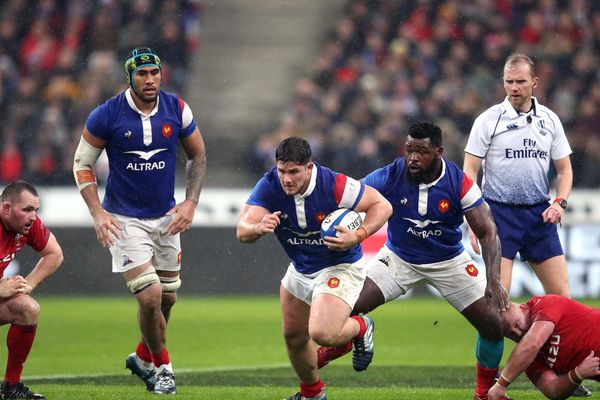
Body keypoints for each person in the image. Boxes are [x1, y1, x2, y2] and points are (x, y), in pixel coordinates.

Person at [318, 121, 511, 400]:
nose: (413, 158)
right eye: (409, 150)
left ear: (439, 152)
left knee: (494, 324)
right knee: (343, 305)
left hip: (449, 261)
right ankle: (350, 340)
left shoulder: (459, 183)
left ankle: (484, 394)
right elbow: (354, 195)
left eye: (421, 152)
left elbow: (488, 233)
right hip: (398, 259)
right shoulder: (391, 175)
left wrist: (494, 279)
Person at [72, 47, 206, 395]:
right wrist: (97, 212)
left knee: (167, 300)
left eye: (155, 73)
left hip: (166, 217)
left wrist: (190, 203)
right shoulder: (107, 114)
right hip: (124, 219)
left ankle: (144, 357)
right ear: (129, 76)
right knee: (150, 297)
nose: (150, 80)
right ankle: (164, 369)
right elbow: (82, 163)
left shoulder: (177, 109)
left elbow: (198, 155)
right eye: (143, 74)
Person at [237, 136, 392, 400]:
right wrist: (257, 228)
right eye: (282, 171)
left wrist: (358, 235)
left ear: (309, 168)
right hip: (300, 268)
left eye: (294, 172)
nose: (287, 178)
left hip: (339, 265)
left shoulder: (335, 185)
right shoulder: (269, 185)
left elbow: (382, 206)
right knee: (294, 337)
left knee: (322, 333)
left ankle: (361, 327)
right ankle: (312, 395)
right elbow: (242, 231)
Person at [463, 53, 573, 298]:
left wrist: (559, 203)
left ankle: (547, 338)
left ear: (534, 82)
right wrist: (473, 216)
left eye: (520, 82)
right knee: (498, 300)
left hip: (539, 216)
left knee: (562, 298)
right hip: (499, 216)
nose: (514, 87)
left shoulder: (550, 120)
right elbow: (470, 169)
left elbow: (565, 170)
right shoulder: (488, 120)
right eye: (509, 81)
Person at [0, 181, 63, 400]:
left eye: (35, 210)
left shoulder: (27, 225)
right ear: (6, 208)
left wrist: (28, 285)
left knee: (27, 308)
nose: (33, 217)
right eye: (27, 209)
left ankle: (12, 387)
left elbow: (55, 254)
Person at [489, 295, 600, 400]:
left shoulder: (545, 303)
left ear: (523, 308)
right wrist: (577, 374)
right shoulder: (527, 359)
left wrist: (501, 384)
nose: (518, 333)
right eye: (511, 334)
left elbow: (533, 342)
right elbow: (553, 390)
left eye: (517, 324)